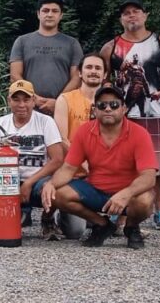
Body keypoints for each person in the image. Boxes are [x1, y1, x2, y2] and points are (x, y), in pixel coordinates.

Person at [100, 0, 160, 231]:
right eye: (126, 13)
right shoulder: (111, 47)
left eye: (136, 11)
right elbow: (104, 78)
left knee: (158, 164)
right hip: (121, 115)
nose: (131, 16)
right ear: (121, 19)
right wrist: (111, 102)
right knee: (122, 163)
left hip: (153, 113)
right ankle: (121, 210)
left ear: (145, 15)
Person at [41, 86, 157, 249]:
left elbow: (149, 177)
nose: (108, 109)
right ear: (95, 110)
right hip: (96, 190)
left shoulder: (140, 134)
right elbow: (68, 169)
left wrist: (126, 193)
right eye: (102, 105)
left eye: (114, 105)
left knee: (145, 200)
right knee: (57, 194)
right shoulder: (84, 131)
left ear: (124, 109)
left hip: (128, 193)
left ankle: (131, 227)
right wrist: (51, 184)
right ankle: (102, 224)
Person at [0, 80, 65, 240]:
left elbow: (57, 159)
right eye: (16, 100)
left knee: (56, 191)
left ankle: (48, 218)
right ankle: (12, 215)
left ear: (34, 101)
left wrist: (29, 183)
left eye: (26, 99)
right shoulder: (1, 123)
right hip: (8, 180)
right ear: (9, 101)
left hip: (38, 179)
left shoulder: (45, 121)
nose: (21, 104)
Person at [51, 52, 106, 238]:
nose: (93, 71)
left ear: (105, 74)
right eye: (89, 67)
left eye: (98, 68)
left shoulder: (111, 103)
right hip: (74, 173)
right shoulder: (65, 99)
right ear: (80, 73)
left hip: (103, 173)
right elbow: (61, 138)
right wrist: (85, 164)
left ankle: (123, 224)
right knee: (75, 232)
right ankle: (59, 213)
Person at [9, 0, 84, 115]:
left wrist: (59, 102)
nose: (49, 14)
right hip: (28, 108)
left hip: (62, 109)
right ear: (38, 14)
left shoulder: (72, 44)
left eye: (55, 11)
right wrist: (34, 98)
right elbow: (15, 75)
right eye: (45, 10)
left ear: (61, 15)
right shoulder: (22, 41)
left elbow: (77, 78)